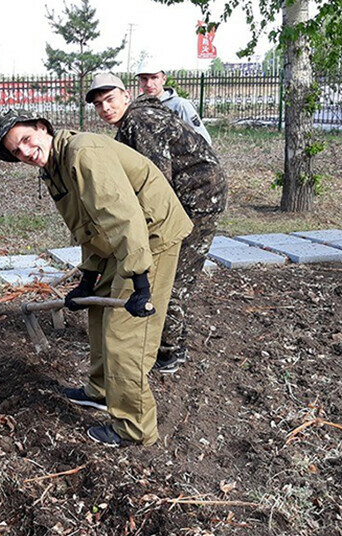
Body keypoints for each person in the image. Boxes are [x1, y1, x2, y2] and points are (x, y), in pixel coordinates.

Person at [0, 109, 192, 447]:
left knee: (125, 333)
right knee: (99, 312)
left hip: (150, 238)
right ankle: (101, 391)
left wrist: (140, 282)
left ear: (43, 128)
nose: (25, 153)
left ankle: (134, 429)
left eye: (26, 140)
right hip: (125, 240)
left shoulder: (83, 154)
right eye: (16, 151)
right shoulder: (54, 169)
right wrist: (88, 278)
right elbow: (89, 226)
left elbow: (123, 217)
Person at [86, 73, 228, 374]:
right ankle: (172, 342)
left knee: (173, 276)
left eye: (109, 99)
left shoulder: (140, 121)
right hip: (188, 195)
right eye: (99, 105)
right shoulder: (129, 124)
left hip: (197, 200)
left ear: (126, 95)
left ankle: (170, 351)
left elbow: (156, 183)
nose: (105, 109)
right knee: (169, 271)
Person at [136, 59, 212, 145]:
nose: (149, 84)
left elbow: (204, 140)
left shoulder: (180, 106)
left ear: (164, 79)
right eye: (144, 79)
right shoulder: (137, 108)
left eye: (154, 78)